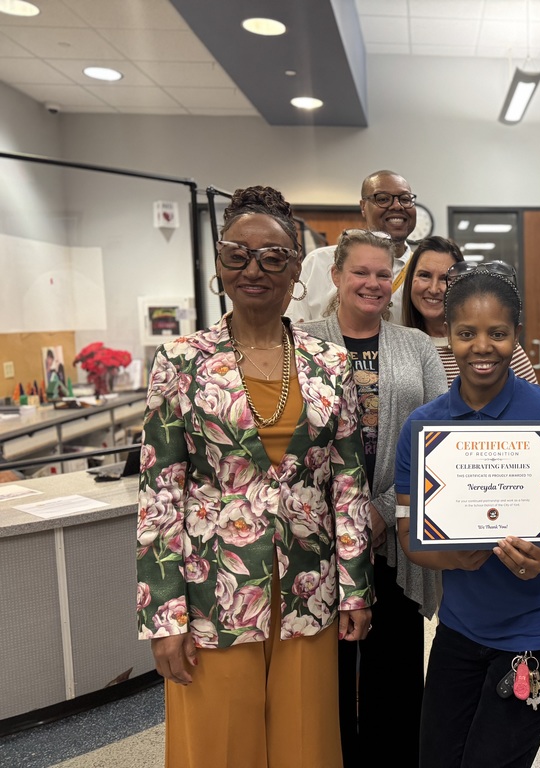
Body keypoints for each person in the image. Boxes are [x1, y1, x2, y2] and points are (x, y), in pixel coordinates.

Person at [136, 186, 374, 768]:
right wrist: (162, 617)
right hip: (212, 587)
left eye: (273, 256)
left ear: (298, 269)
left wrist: (356, 587)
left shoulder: (330, 362)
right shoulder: (182, 363)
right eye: (237, 253)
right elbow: (160, 493)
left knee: (306, 744)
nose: (255, 268)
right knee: (219, 745)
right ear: (219, 264)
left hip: (307, 583)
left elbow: (346, 481)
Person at [394, 265, 540, 768]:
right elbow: (409, 535)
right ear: (447, 334)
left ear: (516, 335)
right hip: (463, 627)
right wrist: (453, 560)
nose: (481, 347)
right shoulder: (424, 428)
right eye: (466, 333)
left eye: (498, 333)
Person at [302, 229, 447, 767]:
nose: (372, 283)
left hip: (394, 531)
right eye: (359, 272)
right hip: (317, 539)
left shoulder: (417, 346)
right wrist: (343, 517)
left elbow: (439, 435)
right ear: (336, 276)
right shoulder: (302, 340)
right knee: (327, 671)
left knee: (396, 669)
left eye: (382, 274)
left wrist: (383, 511)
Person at [402, 236, 539, 385]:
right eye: (424, 275)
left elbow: (532, 402)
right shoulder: (400, 345)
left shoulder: (500, 346)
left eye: (444, 278)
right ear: (410, 280)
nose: (434, 289)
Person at [287, 169, 419, 323]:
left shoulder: (423, 273)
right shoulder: (320, 261)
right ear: (363, 207)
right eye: (383, 199)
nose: (397, 206)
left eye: (405, 199)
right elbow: (295, 329)